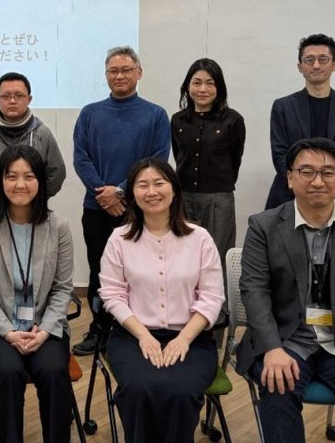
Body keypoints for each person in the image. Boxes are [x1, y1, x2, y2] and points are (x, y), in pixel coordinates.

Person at [238, 138, 335, 443]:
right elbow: (254, 291)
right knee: (277, 388)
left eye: (328, 172)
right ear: (290, 178)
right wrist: (272, 349)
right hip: (286, 341)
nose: (318, 181)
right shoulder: (263, 226)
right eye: (306, 171)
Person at [98, 157, 225, 443]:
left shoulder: (200, 238)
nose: (151, 191)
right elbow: (112, 294)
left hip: (191, 338)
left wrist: (184, 339)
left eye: (159, 183)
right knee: (138, 388)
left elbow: (212, 296)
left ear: (174, 189)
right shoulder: (119, 239)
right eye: (142, 185)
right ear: (132, 194)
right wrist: (143, 336)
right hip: (132, 337)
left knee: (180, 391)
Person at [0, 145, 76, 443]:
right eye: (11, 176)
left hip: (44, 325)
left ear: (40, 181)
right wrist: (8, 332)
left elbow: (63, 288)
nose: (20, 184)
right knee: (7, 371)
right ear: (0, 181)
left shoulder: (59, 226)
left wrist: (46, 330)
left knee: (53, 371)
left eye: (29, 176)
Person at [72, 46, 170, 356]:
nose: (119, 75)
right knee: (99, 271)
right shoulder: (90, 113)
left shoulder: (156, 115)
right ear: (106, 75)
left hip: (139, 210)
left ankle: (133, 331)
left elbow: (157, 160)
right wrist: (104, 193)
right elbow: (81, 158)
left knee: (139, 272)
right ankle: (99, 329)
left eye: (126, 70)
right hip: (96, 208)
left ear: (139, 73)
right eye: (113, 71)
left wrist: (121, 192)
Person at [266, 33, 335, 210]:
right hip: (290, 194)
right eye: (309, 60)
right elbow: (279, 153)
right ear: (300, 66)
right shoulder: (282, 106)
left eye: (323, 59)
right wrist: (299, 184)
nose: (316, 65)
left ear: (334, 65)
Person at [170, 58, 246, 256]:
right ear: (188, 86)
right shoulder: (178, 120)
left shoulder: (233, 120)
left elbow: (235, 159)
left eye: (210, 83)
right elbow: (179, 155)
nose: (202, 89)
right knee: (184, 253)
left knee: (217, 254)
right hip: (184, 196)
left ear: (219, 87)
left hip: (219, 199)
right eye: (196, 83)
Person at [0, 72, 66, 210]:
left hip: (32, 213)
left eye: (19, 96)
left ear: (29, 99)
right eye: (5, 96)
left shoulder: (42, 134)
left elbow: (57, 173)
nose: (12, 101)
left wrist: (37, 197)